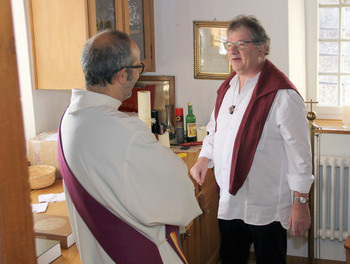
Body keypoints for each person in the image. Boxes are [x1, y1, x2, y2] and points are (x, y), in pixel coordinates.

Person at [59, 29, 202, 264]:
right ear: (123, 75)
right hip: (138, 250)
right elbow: (178, 188)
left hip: (99, 249)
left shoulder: (69, 118)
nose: (139, 74)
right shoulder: (126, 131)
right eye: (138, 67)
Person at [190, 15, 314, 264]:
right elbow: (215, 131)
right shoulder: (227, 89)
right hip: (230, 201)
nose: (233, 51)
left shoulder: (282, 95)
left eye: (241, 44)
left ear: (261, 48)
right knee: (231, 259)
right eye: (229, 45)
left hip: (265, 205)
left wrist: (301, 202)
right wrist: (204, 158)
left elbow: (300, 154)